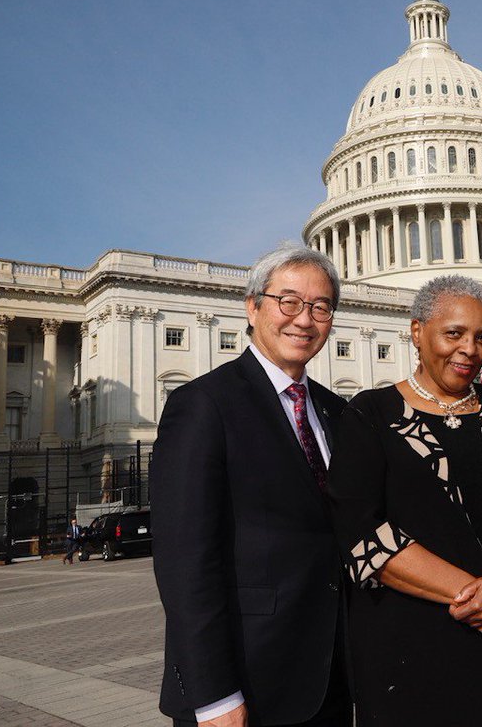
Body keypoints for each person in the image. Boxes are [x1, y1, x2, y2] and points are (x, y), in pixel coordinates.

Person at [328, 274, 482, 726]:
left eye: (481, 338)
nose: (470, 350)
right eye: (453, 333)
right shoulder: (369, 414)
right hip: (413, 650)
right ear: (418, 332)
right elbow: (364, 535)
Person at [152, 242, 351, 727]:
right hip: (244, 683)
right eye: (288, 301)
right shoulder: (203, 405)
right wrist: (214, 697)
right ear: (252, 306)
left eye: (320, 306)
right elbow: (185, 565)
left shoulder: (337, 412)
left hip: (328, 679)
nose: (303, 319)